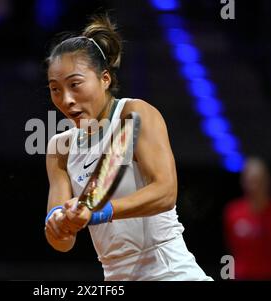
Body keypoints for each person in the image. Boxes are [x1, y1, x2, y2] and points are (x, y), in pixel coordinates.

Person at [43, 14, 212, 281]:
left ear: (105, 79)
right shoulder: (59, 148)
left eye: (75, 85)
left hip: (169, 271)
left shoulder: (133, 113)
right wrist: (59, 224)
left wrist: (100, 211)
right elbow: (64, 242)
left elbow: (165, 192)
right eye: (55, 89)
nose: (66, 99)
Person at [223, 157, 271, 280]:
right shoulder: (233, 212)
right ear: (243, 182)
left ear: (269, 181)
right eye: (251, 181)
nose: (255, 187)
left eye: (259, 181)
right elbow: (230, 251)